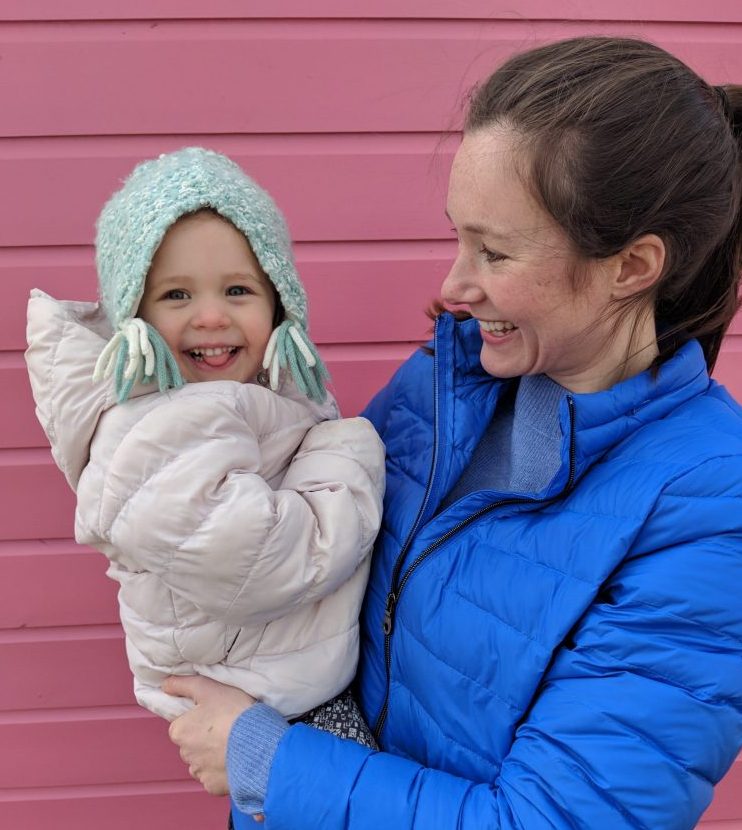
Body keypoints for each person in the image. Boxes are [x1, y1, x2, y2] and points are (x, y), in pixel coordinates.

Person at [163, 37, 742, 828]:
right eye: (458, 236)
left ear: (633, 267)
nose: (452, 285)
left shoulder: (709, 505)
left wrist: (264, 758)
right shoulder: (449, 384)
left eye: (495, 252)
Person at [25, 148, 386, 826]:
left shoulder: (225, 401)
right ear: (133, 314)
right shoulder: (152, 429)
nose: (212, 317)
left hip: (282, 683)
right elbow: (266, 561)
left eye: (238, 290)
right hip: (273, 702)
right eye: (177, 294)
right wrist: (349, 453)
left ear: (281, 302)